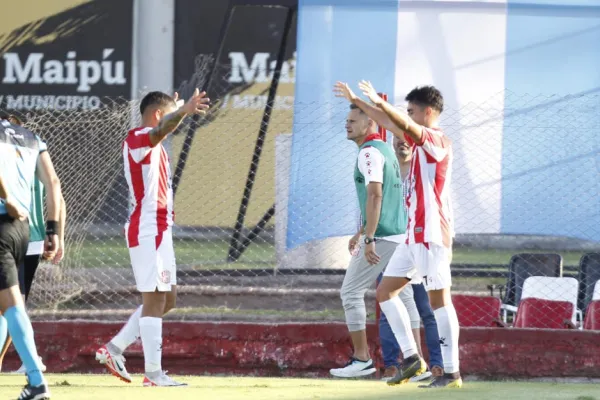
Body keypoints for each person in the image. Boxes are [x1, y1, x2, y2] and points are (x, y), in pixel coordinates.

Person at [345, 80, 460, 388]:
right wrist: (361, 101)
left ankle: (451, 372)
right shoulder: (417, 144)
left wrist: (381, 105)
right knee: (384, 294)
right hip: (412, 236)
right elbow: (388, 123)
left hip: (432, 234)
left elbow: (396, 122)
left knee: (439, 303)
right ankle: (411, 358)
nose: (407, 116)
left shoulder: (437, 139)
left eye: (411, 111)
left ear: (428, 112)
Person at [95, 89, 210, 387]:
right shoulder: (139, 137)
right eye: (171, 113)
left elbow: (164, 126)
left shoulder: (156, 140)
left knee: (167, 299)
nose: (179, 120)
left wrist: (180, 110)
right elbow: (161, 128)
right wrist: (183, 110)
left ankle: (114, 348)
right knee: (155, 298)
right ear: (159, 114)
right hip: (148, 229)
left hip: (160, 229)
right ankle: (154, 373)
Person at [328, 102, 420, 379]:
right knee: (404, 298)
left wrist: (368, 238)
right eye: (346, 120)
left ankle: (361, 359)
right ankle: (416, 363)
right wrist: (363, 232)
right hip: (399, 234)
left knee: (351, 292)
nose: (347, 124)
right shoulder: (383, 150)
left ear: (370, 124)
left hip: (383, 237)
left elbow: (376, 195)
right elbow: (389, 197)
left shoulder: (368, 152)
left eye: (353, 120)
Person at [0, 114, 62, 399]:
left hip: (3, 221)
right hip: (23, 231)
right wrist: (53, 228)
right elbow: (53, 182)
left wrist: (9, 200)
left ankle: (36, 379)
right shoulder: (31, 138)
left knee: (11, 304)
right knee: (9, 303)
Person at [376, 136, 443, 382]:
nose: (402, 143)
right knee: (387, 302)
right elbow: (372, 204)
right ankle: (393, 365)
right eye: (397, 139)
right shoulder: (386, 171)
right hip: (394, 246)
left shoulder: (424, 171)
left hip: (422, 244)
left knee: (428, 309)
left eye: (407, 139)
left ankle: (437, 364)